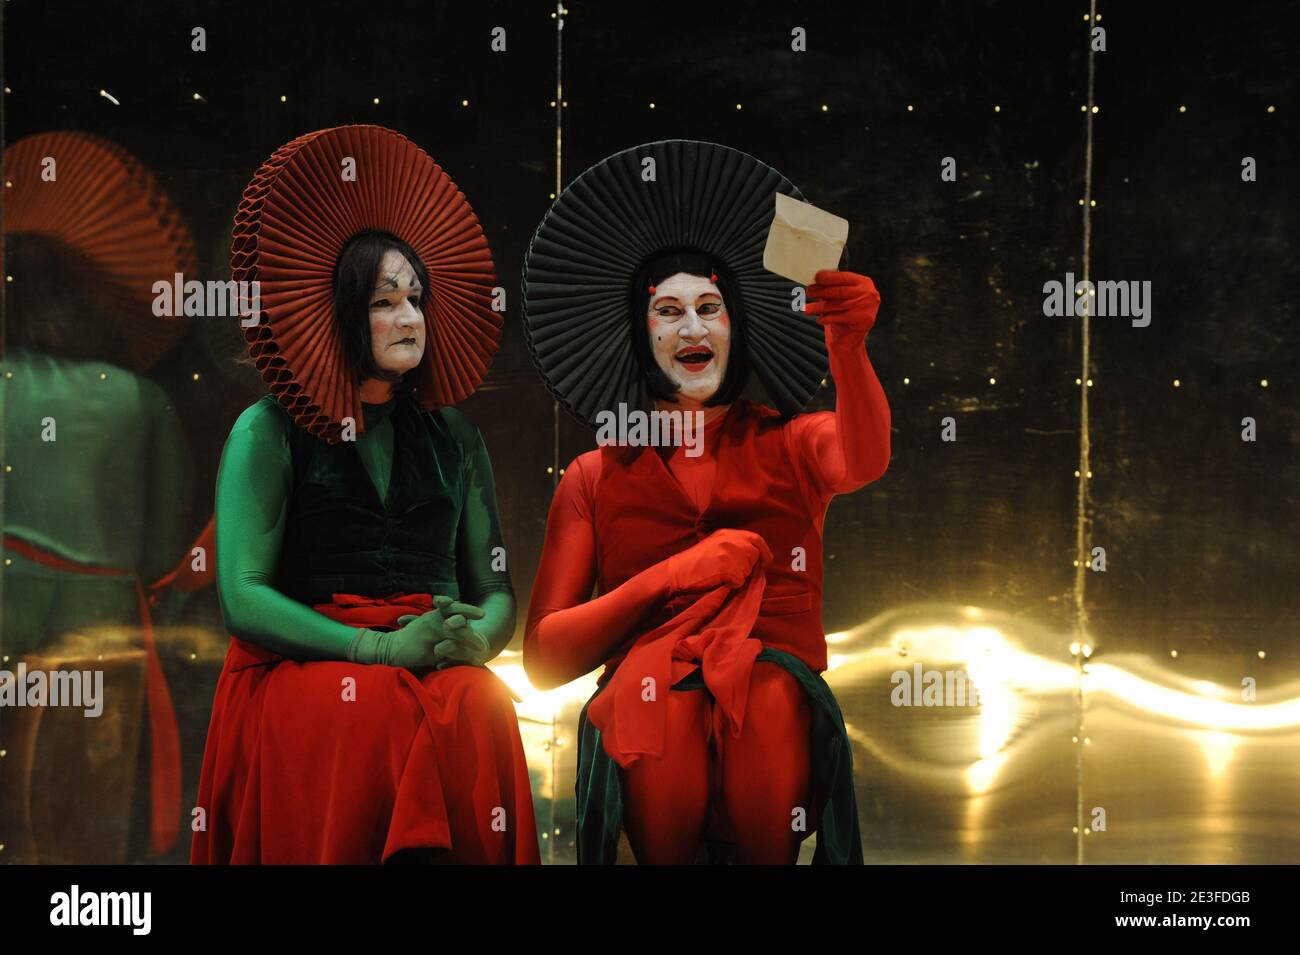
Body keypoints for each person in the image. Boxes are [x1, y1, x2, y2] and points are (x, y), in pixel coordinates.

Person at [521, 141, 890, 864]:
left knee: (767, 697)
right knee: (658, 699)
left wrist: (848, 346)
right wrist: (673, 575)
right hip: (646, 699)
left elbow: (865, 458)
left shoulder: (793, 442)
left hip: (773, 696)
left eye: (710, 307)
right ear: (641, 333)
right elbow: (542, 658)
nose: (692, 328)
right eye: (668, 310)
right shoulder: (595, 474)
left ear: (735, 325)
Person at [191, 125, 538, 864]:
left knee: (484, 701)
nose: (410, 317)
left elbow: (496, 582)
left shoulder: (455, 438)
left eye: (416, 297)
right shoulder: (269, 430)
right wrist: (377, 647)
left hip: (429, 659)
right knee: (372, 708)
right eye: (385, 301)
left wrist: (477, 636)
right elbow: (243, 598)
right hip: (304, 667)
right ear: (342, 312)